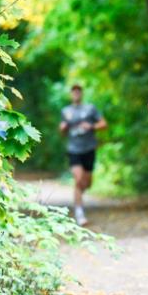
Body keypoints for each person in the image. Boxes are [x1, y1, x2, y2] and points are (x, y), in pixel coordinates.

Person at [59, 84, 107, 226]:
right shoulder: (66, 111)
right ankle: (80, 213)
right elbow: (62, 131)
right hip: (74, 149)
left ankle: (81, 194)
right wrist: (63, 128)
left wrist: (92, 126)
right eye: (74, 92)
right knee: (78, 179)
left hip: (89, 148)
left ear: (81, 94)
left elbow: (103, 124)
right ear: (71, 94)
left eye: (78, 92)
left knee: (87, 183)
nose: (76, 94)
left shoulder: (90, 109)